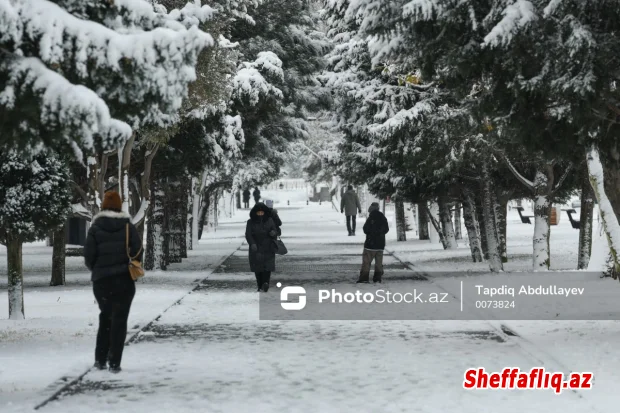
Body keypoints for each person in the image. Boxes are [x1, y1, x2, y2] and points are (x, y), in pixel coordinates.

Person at [84, 191, 142, 373]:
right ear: (119, 207)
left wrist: (98, 269)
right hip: (124, 280)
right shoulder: (127, 226)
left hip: (102, 282)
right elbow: (138, 249)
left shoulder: (95, 228)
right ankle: (115, 362)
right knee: (120, 320)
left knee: (105, 316)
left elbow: (88, 256)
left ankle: (100, 360)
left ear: (103, 207)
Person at [245, 202, 278, 292]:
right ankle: (259, 285)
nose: (260, 214)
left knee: (268, 266)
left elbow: (275, 230)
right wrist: (252, 244)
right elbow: (248, 234)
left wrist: (273, 233)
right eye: (258, 213)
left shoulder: (269, 220)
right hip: (256, 248)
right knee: (258, 267)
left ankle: (265, 283)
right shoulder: (250, 222)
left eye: (262, 212)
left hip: (268, 247)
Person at [357, 202, 390, 283]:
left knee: (366, 262)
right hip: (380, 245)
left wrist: (372, 233)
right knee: (378, 263)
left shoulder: (370, 218)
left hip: (370, 244)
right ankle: (377, 278)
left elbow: (365, 229)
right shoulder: (383, 218)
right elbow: (386, 229)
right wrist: (380, 233)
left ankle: (364, 278)